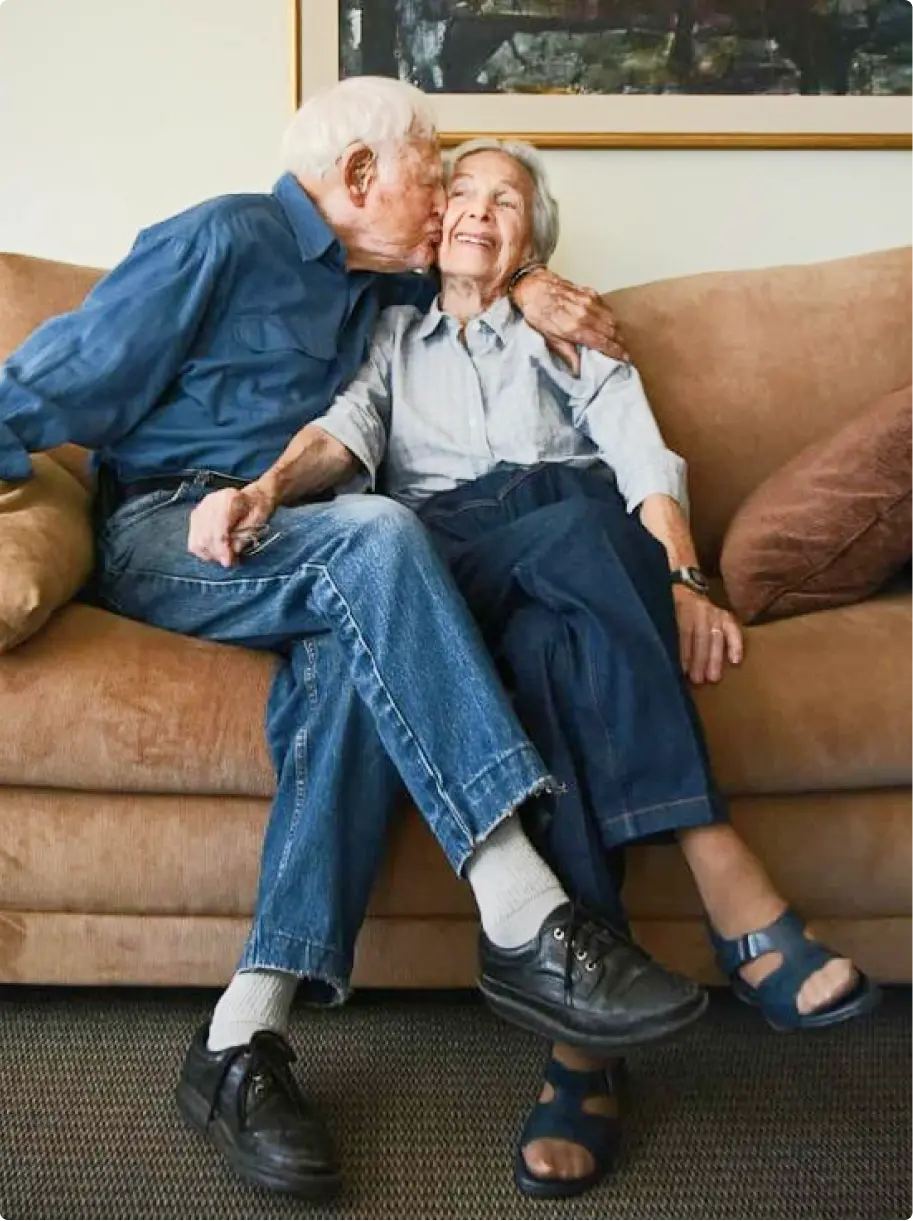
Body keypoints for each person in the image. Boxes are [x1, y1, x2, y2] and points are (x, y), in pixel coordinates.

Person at [0, 80, 712, 1200]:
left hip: (299, 540)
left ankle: (240, 1038)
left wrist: (526, 282)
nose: (444, 201)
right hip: (176, 526)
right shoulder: (225, 236)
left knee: (351, 667)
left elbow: (480, 278)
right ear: (361, 178)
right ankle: (525, 909)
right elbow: (52, 380)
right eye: (433, 169)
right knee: (377, 536)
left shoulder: (380, 288)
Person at [220, 137, 881, 1200]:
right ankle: (724, 871)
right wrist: (265, 490)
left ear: (538, 236)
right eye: (464, 194)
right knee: (568, 540)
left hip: (570, 553)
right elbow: (338, 436)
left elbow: (640, 458)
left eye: (509, 202)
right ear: (433, 226)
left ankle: (582, 1050)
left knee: (556, 634)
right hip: (445, 556)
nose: (481, 212)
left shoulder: (571, 328)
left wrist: (685, 578)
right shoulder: (388, 330)